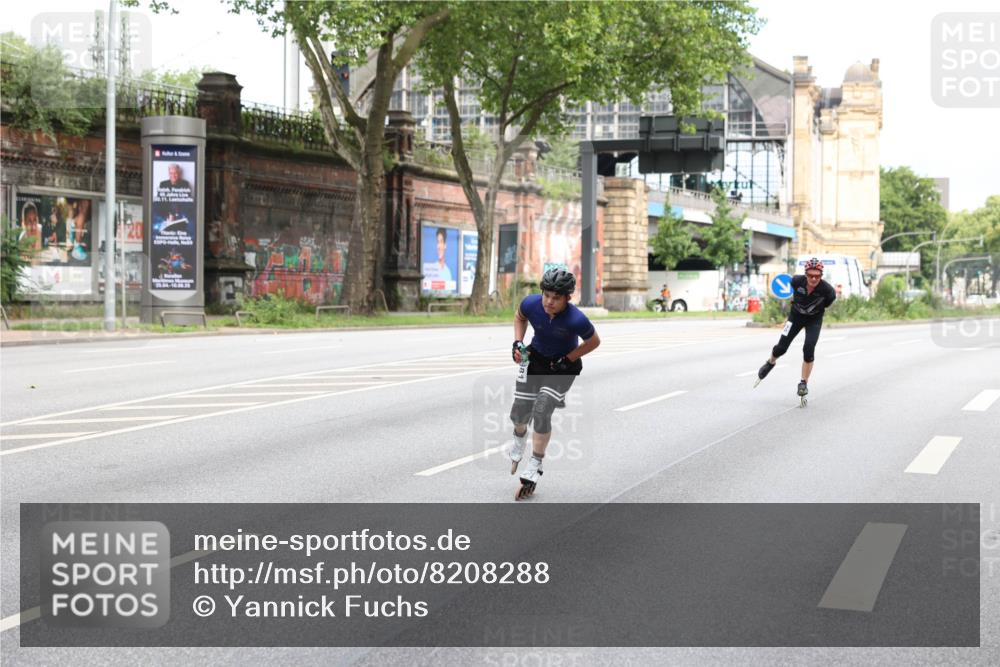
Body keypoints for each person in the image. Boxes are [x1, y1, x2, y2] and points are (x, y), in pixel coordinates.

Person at [509, 268, 601, 499]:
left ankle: (535, 464)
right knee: (519, 415)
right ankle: (519, 438)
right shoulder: (531, 303)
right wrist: (518, 343)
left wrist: (568, 359)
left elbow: (594, 341)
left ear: (568, 298)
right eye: (546, 295)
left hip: (562, 367)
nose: (549, 302)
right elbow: (520, 317)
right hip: (535, 359)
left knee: (542, 410)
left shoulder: (576, 318)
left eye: (556, 298)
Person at [756, 258, 837, 398]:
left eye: (817, 276)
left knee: (809, 348)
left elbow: (827, 304)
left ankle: (803, 383)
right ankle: (770, 362)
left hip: (814, 320)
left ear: (821, 276)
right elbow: (789, 292)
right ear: (805, 274)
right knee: (781, 348)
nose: (813, 279)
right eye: (810, 275)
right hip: (795, 318)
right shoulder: (796, 281)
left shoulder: (828, 290)